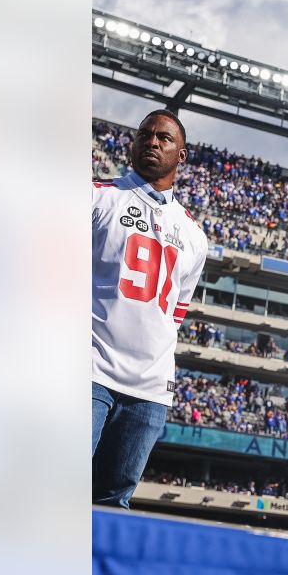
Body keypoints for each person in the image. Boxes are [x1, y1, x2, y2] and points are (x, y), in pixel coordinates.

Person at [93, 109, 209, 508]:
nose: (152, 142)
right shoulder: (98, 196)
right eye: (145, 134)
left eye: (163, 138)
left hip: (149, 389)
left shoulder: (194, 235)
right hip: (89, 369)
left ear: (182, 155)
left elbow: (175, 314)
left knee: (114, 503)